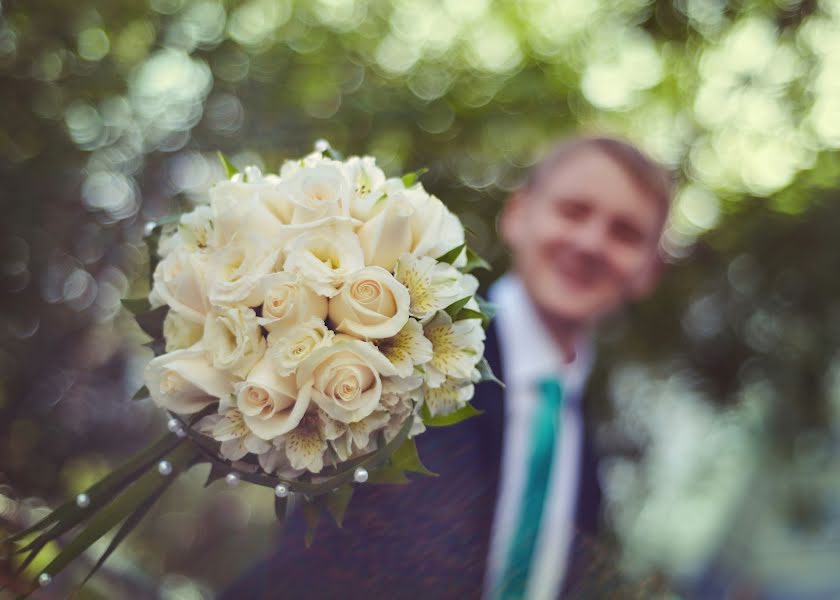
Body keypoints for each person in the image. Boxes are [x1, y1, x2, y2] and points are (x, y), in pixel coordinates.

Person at [220, 136, 672, 600]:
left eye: (625, 233)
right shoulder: (396, 346)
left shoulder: (587, 460)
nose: (592, 242)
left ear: (647, 271)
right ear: (517, 215)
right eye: (573, 211)